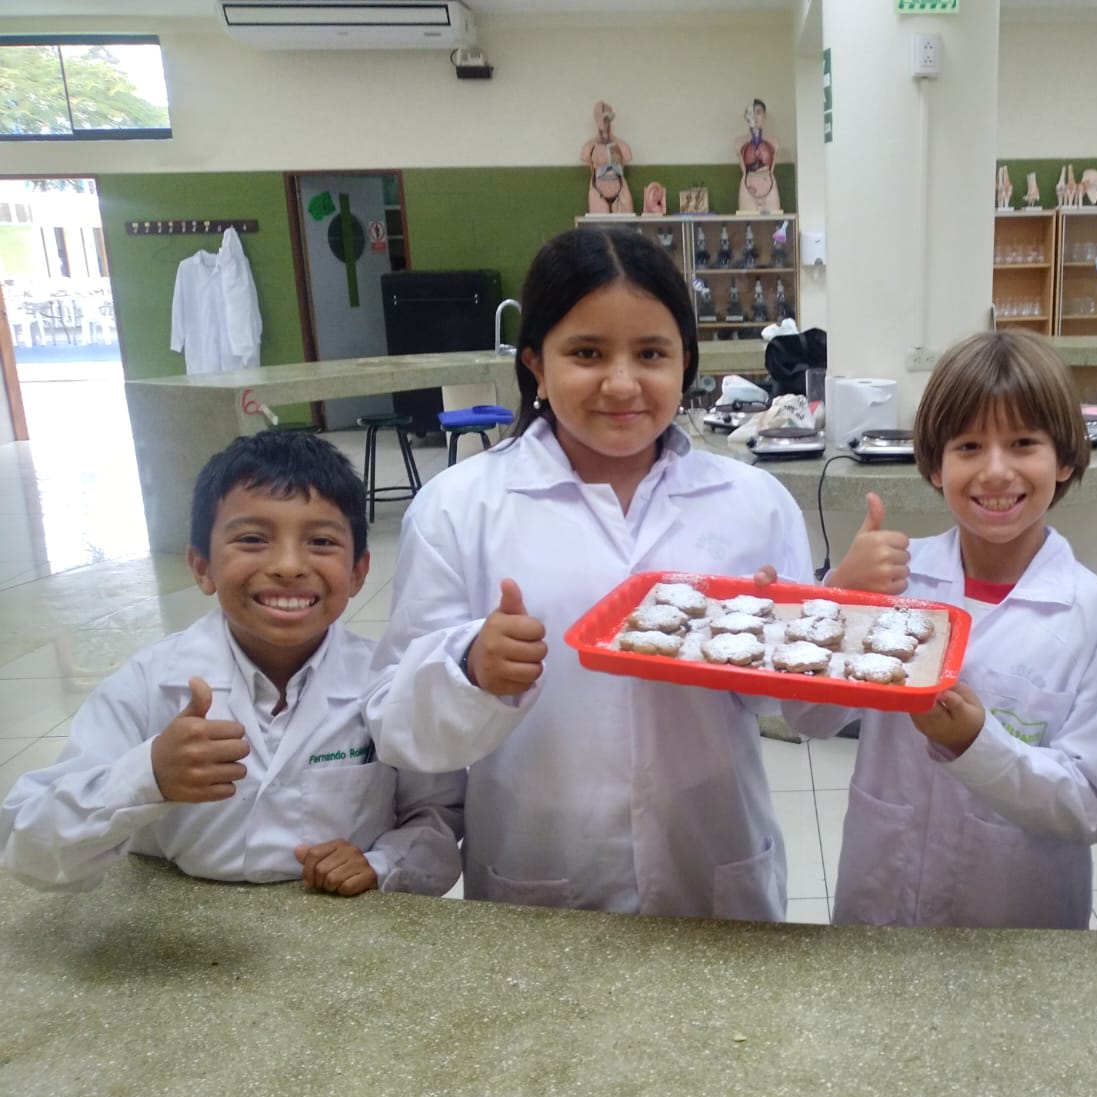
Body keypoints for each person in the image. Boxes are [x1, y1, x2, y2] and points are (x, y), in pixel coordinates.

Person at [364, 226, 813, 921]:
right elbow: (399, 728)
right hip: (539, 872)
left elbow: (803, 713)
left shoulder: (753, 504)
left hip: (712, 866)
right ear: (535, 365)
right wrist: (468, 667)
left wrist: (807, 637)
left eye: (652, 353)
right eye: (586, 353)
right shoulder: (459, 508)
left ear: (686, 363)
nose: (623, 382)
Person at [0, 432, 465, 895]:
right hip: (181, 931)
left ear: (358, 572)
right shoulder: (147, 685)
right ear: (202, 567)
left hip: (345, 930)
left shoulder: (390, 684)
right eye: (252, 539)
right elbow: (28, 844)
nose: (288, 565)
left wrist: (380, 864)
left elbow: (438, 818)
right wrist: (148, 776)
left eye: (321, 542)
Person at [785, 331, 1097, 928]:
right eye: (969, 445)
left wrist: (977, 745)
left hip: (1017, 920)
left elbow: (1096, 805)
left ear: (1066, 458)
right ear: (933, 464)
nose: (996, 471)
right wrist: (837, 602)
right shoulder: (899, 582)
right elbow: (808, 720)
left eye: (1024, 443)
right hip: (883, 898)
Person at [582, 100, 633, 215]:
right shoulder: (590, 147)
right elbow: (585, 157)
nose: (605, 123)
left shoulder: (621, 145)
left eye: (607, 119)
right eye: (602, 119)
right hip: (598, 188)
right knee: (599, 227)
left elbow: (628, 156)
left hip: (619, 187)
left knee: (625, 226)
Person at [736, 99, 781, 214]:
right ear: (746, 116)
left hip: (768, 184)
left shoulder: (774, 141)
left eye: (758, 112)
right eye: (751, 113)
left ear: (764, 116)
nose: (755, 117)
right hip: (748, 184)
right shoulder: (739, 142)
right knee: (746, 223)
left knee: (774, 223)